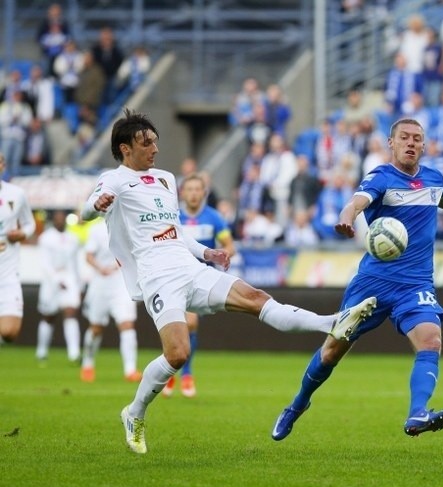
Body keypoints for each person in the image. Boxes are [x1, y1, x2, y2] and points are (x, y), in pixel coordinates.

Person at [81, 109, 377, 454]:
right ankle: (134, 412)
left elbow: (173, 231)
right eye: (146, 143)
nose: (155, 149)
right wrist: (96, 204)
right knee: (177, 354)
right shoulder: (113, 180)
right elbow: (87, 209)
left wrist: (206, 253)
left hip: (188, 266)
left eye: (156, 142)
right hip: (156, 276)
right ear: (125, 148)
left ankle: (331, 322)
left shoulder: (165, 179)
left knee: (255, 297)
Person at [270, 118, 443, 441]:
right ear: (392, 142)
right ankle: (297, 405)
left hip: (416, 284)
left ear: (424, 144)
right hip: (373, 283)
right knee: (332, 351)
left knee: (431, 339)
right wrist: (347, 218)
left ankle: (418, 413)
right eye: (404, 137)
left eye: (417, 138)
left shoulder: (433, 178)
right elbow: (357, 202)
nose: (411, 143)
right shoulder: (381, 177)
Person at [161, 172, 236, 398]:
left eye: (197, 190)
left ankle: (185, 373)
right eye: (189, 189)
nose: (193, 194)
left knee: (190, 323)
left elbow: (229, 245)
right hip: (173, 277)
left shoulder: (214, 218)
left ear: (204, 193)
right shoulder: (173, 217)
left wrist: (219, 256)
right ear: (182, 193)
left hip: (200, 278)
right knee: (175, 326)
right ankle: (173, 372)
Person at [80, 219, 141, 383]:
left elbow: (135, 251)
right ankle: (88, 362)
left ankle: (130, 369)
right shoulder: (96, 229)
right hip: (100, 282)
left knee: (127, 324)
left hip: (122, 281)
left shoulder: (129, 223)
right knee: (96, 328)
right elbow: (88, 256)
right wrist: (101, 268)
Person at [35, 210, 83, 364]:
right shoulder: (45, 238)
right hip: (51, 281)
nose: (60, 221)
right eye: (57, 219)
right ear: (53, 220)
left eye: (62, 218)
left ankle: (74, 353)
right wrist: (56, 280)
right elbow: (44, 263)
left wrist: (79, 284)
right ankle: (42, 351)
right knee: (48, 316)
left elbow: (76, 264)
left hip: (69, 279)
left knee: (71, 312)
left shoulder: (73, 238)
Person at [0, 154, 36, 346]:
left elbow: (29, 224)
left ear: (3, 166)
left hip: (7, 275)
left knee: (9, 333)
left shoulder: (16, 194)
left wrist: (21, 234)